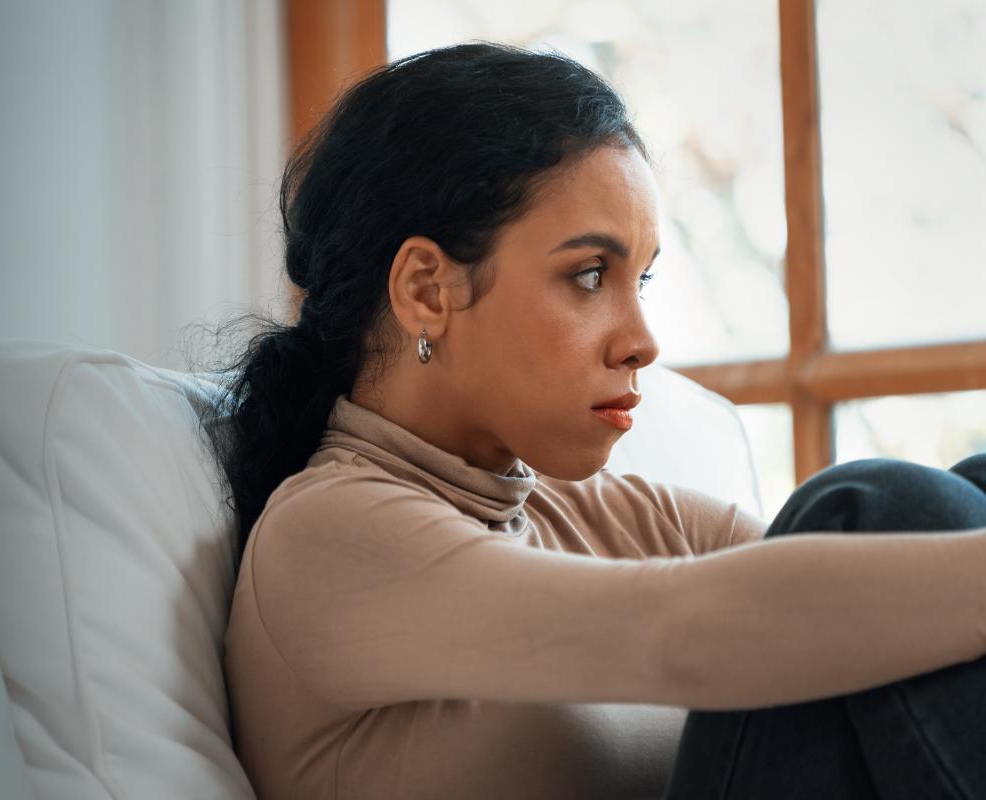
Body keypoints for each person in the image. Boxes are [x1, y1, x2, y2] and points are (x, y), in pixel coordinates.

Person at [200, 42, 986, 799]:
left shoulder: (626, 518)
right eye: (588, 275)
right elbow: (681, 639)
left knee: (948, 513)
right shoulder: (327, 533)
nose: (643, 341)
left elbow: (880, 595)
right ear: (426, 290)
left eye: (640, 279)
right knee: (880, 511)